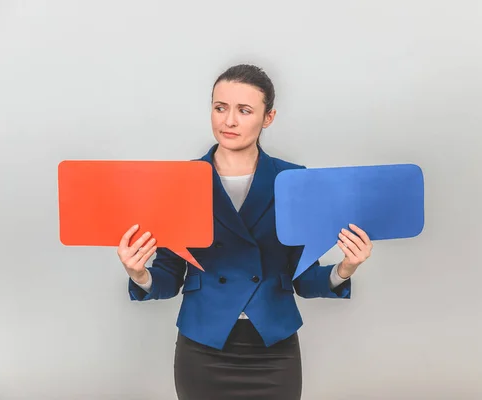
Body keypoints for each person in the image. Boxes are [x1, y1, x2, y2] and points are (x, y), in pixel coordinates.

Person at [117, 64, 373, 399]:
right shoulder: (180, 183)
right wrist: (139, 274)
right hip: (204, 343)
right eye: (220, 108)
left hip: (273, 345)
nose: (229, 121)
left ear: (268, 117)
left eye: (245, 110)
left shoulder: (292, 180)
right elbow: (168, 275)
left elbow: (304, 277)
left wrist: (345, 268)